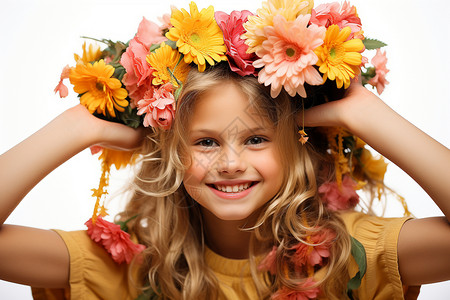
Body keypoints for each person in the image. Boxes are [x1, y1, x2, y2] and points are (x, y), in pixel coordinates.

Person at [0, 1, 449, 299]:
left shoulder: (354, 253)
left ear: (297, 144)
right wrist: (79, 124)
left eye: (256, 139)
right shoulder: (129, 264)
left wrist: (365, 113)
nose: (231, 163)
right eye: (205, 142)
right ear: (171, 153)